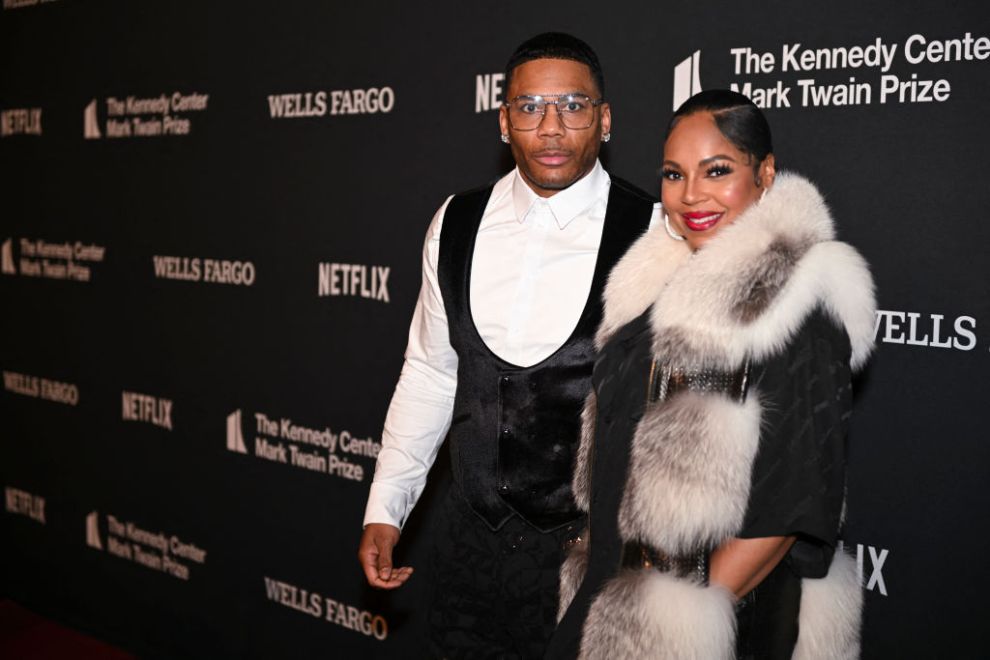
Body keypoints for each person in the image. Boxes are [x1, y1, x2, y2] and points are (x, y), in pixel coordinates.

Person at [357, 32, 658, 657]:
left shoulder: (652, 231)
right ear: (503, 121)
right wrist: (386, 506)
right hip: (468, 554)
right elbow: (431, 372)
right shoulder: (455, 222)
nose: (551, 127)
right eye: (529, 107)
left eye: (572, 106)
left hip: (591, 564)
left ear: (604, 120)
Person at [547, 89, 875, 660]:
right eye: (674, 175)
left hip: (712, 629)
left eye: (717, 170)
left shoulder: (799, 308)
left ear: (764, 174)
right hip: (610, 599)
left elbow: (786, 516)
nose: (691, 194)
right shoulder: (656, 289)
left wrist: (676, 636)